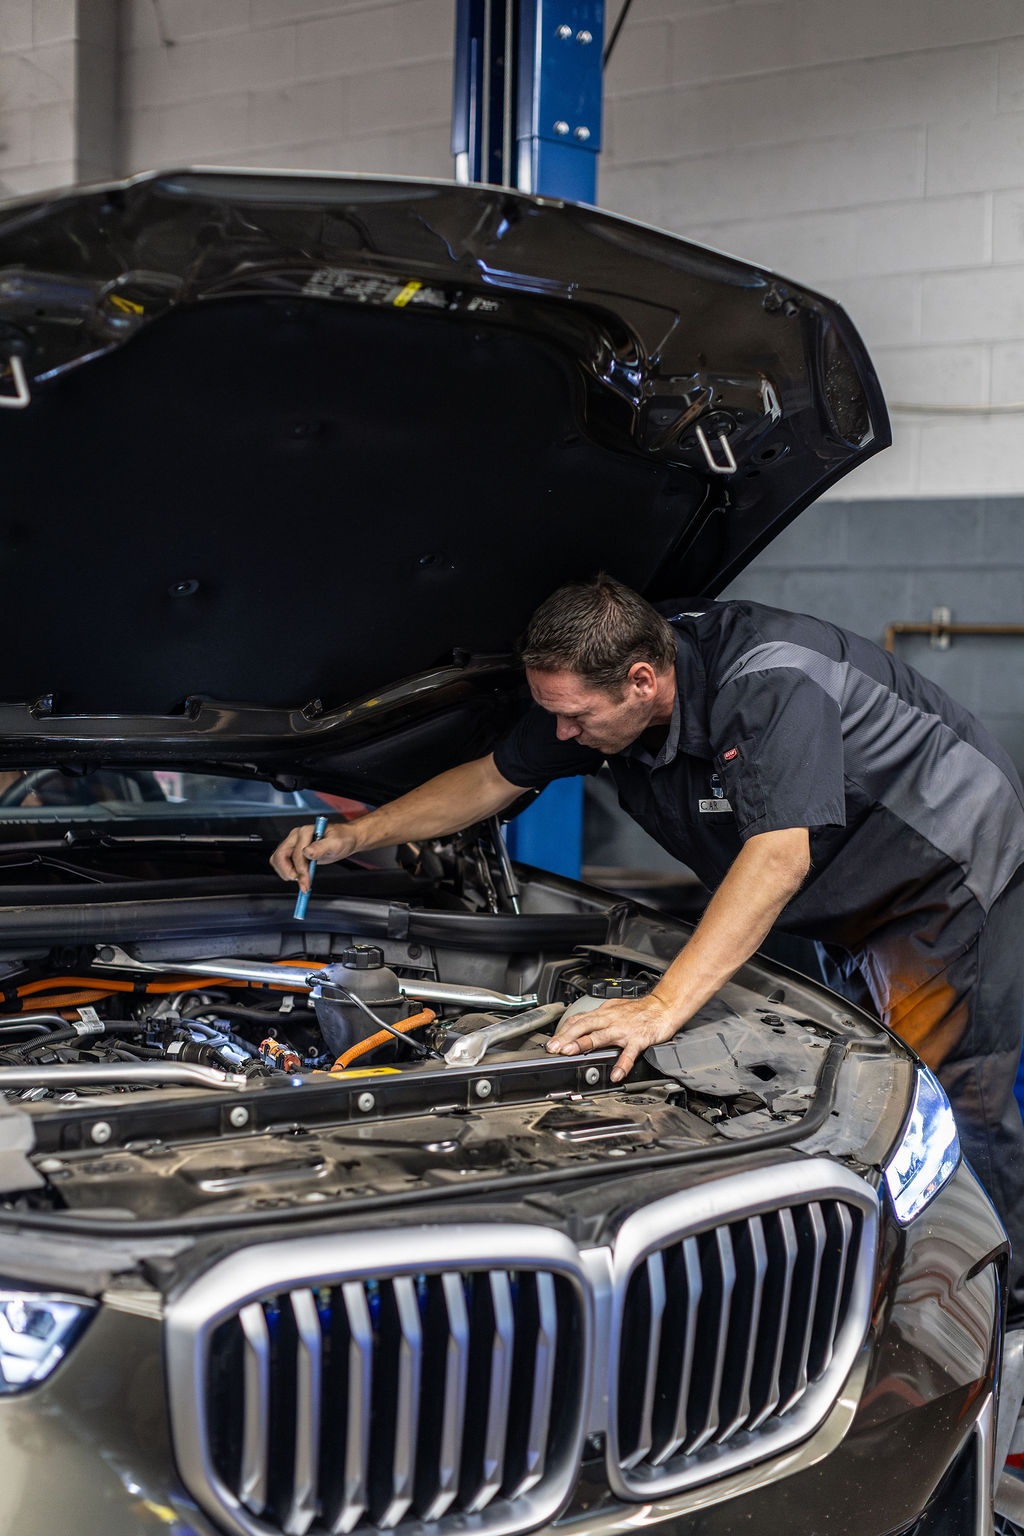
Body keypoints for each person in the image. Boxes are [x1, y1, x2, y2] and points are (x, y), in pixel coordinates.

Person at [271, 575, 1024, 1319]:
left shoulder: (769, 681)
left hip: (945, 874)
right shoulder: (593, 684)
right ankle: (872, 1286)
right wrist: (356, 834)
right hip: (844, 902)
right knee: (862, 1092)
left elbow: (777, 858)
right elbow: (493, 777)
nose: (562, 736)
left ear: (642, 680)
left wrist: (660, 1007)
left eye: (575, 719)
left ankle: (1002, 1310)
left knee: (949, 1103)